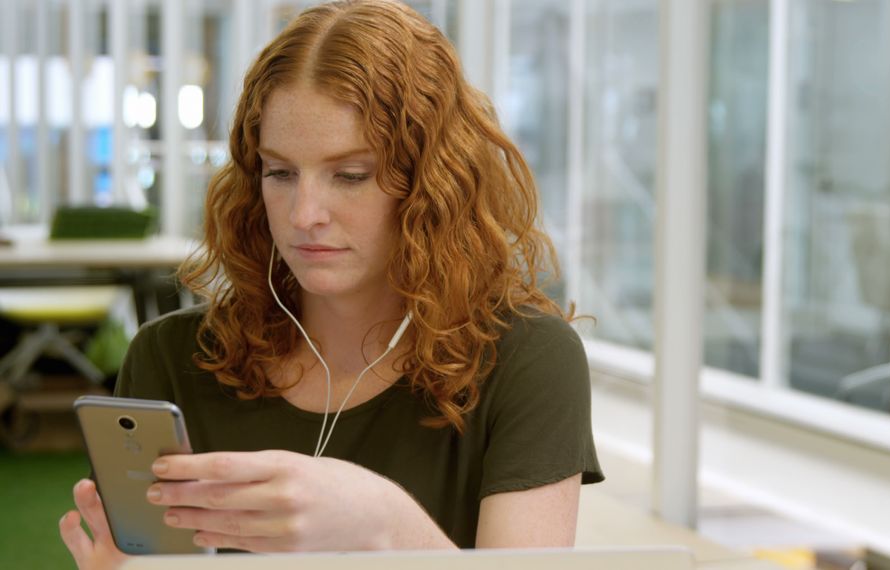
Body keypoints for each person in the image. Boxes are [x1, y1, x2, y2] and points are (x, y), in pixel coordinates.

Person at [58, 1, 603, 567]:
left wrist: (386, 526)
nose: (303, 214)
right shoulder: (173, 359)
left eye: (350, 175)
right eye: (280, 173)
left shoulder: (526, 362)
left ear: (434, 185)